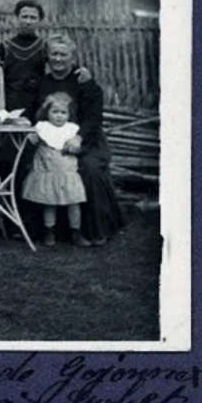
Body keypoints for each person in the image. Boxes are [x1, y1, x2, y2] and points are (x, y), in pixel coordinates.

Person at [30, 34, 123, 245]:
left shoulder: (84, 81)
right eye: (54, 53)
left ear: (72, 56)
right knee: (41, 168)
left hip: (85, 138)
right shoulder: (42, 83)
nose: (58, 58)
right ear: (47, 56)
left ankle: (95, 230)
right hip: (50, 141)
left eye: (63, 54)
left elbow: (94, 116)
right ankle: (48, 229)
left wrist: (79, 138)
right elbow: (34, 113)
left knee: (89, 169)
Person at [22, 92, 90, 247]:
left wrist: (75, 149)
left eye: (63, 112)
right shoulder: (42, 127)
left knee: (74, 202)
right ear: (47, 113)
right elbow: (31, 142)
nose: (59, 116)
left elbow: (80, 150)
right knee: (49, 202)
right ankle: (49, 231)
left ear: (69, 114)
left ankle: (76, 232)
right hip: (48, 171)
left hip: (67, 173)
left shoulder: (72, 129)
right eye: (55, 112)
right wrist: (31, 138)